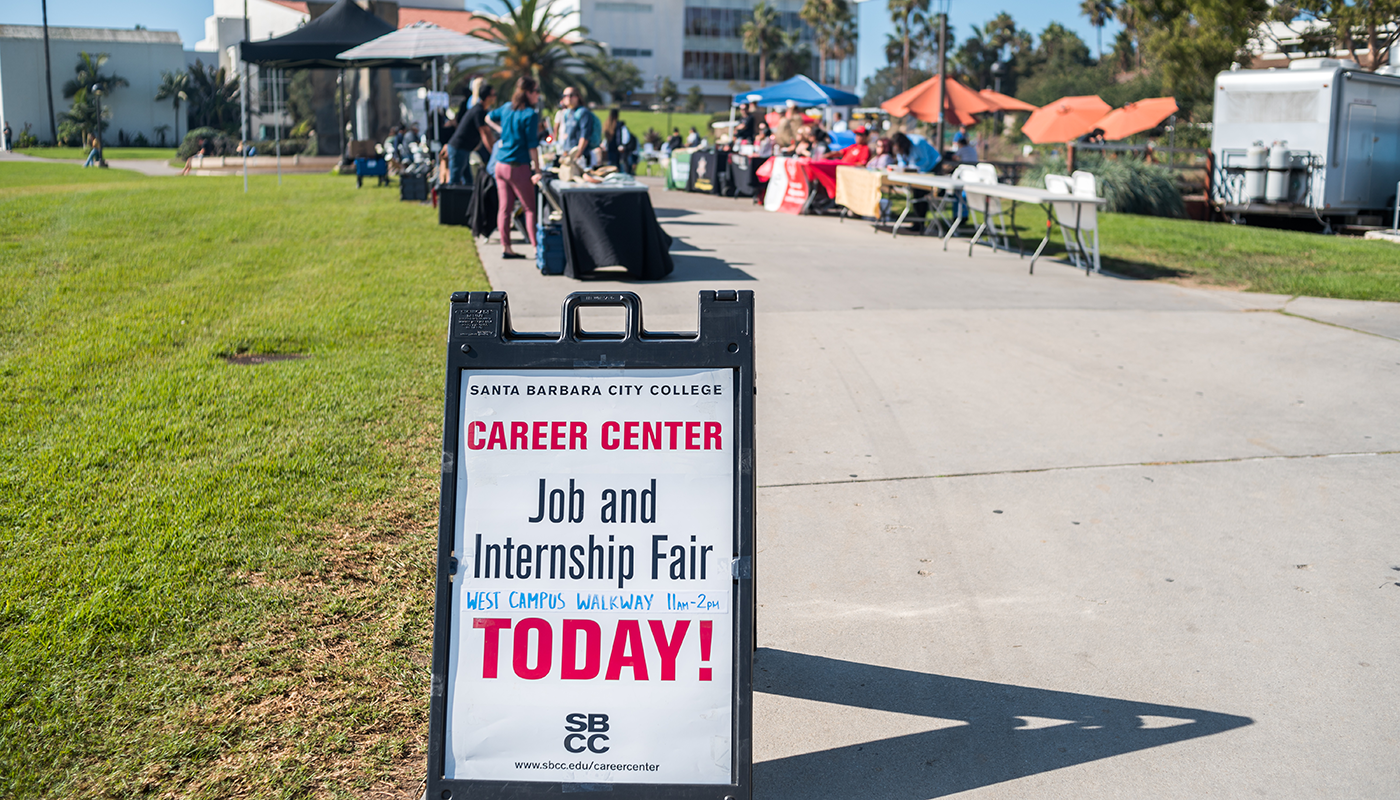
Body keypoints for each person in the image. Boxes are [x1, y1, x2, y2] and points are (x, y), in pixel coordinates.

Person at [486, 76, 543, 259]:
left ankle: (506, 247)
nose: (538, 95)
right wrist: (537, 170)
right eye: (536, 91)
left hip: (500, 165)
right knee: (529, 208)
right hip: (518, 166)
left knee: (505, 209)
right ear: (528, 93)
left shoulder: (506, 108)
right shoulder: (530, 114)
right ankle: (536, 248)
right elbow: (532, 145)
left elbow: (488, 117)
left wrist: (500, 130)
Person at [447, 82, 495, 185]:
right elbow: (484, 134)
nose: (495, 97)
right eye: (494, 95)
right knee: (454, 180)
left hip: (464, 149)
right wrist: (493, 152)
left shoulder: (482, 110)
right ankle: (448, 196)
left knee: (468, 181)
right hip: (458, 148)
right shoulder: (478, 111)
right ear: (488, 97)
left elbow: (488, 132)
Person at [559, 86, 599, 169]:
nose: (568, 98)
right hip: (569, 155)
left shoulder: (583, 112)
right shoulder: (567, 113)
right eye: (565, 96)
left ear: (578, 97)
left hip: (581, 157)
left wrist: (577, 155)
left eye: (571, 95)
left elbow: (585, 136)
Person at [602, 108, 636, 174]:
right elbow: (625, 136)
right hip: (617, 149)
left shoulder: (608, 125)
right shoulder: (619, 125)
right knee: (618, 165)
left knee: (611, 164)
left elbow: (606, 138)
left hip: (610, 148)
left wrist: (604, 145)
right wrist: (622, 145)